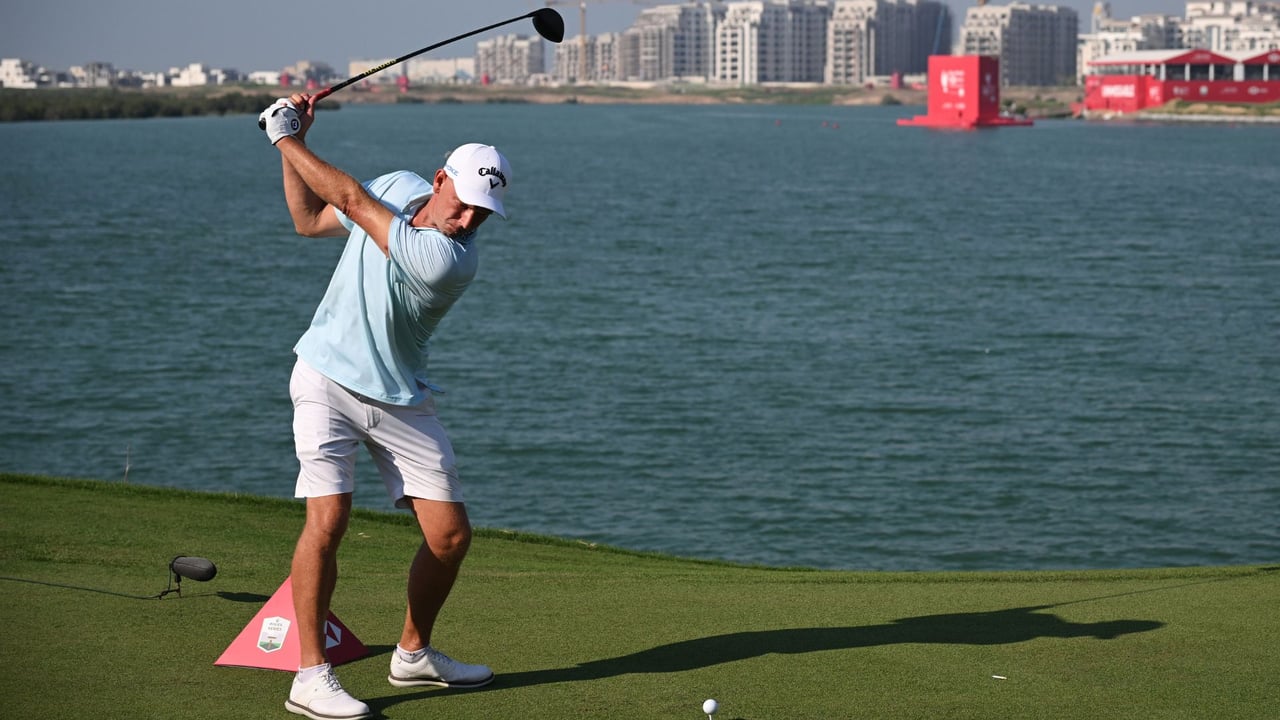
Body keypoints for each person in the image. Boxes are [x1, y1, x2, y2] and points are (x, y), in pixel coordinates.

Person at [258, 95, 510, 720]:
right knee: (328, 521)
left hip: (398, 396)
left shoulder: (451, 259)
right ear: (440, 177)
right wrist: (295, 147)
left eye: (485, 212)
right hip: (325, 378)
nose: (471, 218)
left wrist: (286, 139)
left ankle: (413, 653)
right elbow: (312, 218)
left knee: (450, 537)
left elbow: (349, 201)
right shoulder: (398, 186)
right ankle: (310, 676)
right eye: (466, 202)